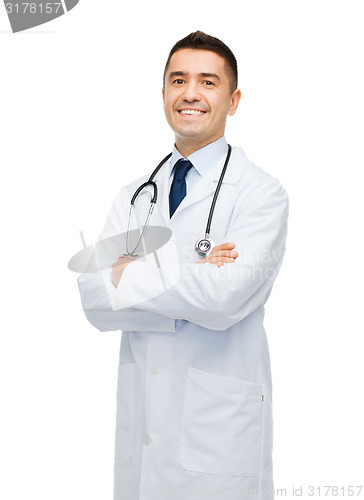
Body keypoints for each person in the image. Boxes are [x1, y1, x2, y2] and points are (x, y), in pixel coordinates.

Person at [78, 31, 289, 500]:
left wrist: (129, 271)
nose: (190, 93)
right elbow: (93, 299)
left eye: (208, 82)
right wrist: (196, 272)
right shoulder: (135, 194)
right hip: (142, 437)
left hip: (218, 443)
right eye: (179, 80)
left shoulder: (260, 193)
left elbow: (225, 298)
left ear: (233, 101)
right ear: (164, 94)